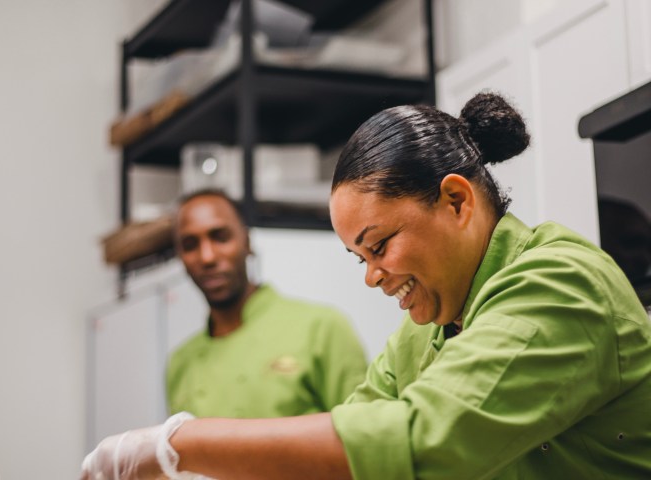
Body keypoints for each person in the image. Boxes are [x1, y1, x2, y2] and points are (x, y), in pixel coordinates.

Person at [81, 93, 651, 480]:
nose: (373, 275)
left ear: (456, 201)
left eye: (378, 246)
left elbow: (419, 439)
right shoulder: (421, 336)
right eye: (358, 257)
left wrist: (176, 444)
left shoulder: (559, 283)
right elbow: (350, 447)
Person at [165, 188, 367, 419]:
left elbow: (363, 436)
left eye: (220, 237)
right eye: (190, 245)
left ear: (247, 242)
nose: (207, 257)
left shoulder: (321, 328)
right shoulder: (180, 364)